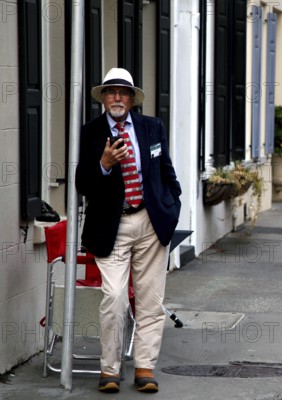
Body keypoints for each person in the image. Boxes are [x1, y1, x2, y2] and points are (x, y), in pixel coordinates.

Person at [75, 68, 181, 393]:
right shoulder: (91, 132)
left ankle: (145, 368)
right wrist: (104, 164)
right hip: (112, 226)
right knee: (115, 298)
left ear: (133, 98)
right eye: (111, 92)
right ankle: (110, 370)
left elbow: (167, 173)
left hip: (151, 222)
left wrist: (170, 207)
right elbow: (82, 185)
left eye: (123, 92)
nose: (117, 97)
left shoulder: (152, 127)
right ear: (103, 98)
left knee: (151, 301)